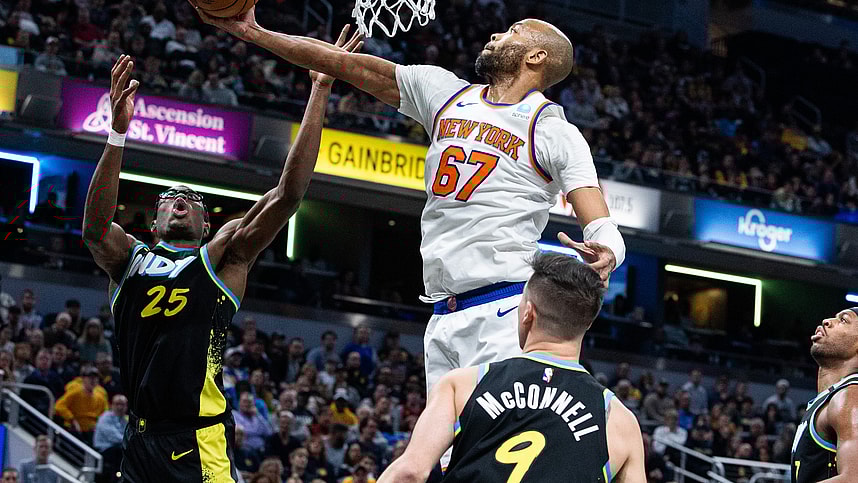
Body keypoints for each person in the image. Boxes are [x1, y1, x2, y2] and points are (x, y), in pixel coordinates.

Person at [199, 11, 626, 411]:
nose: (497, 34)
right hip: (442, 313)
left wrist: (608, 250)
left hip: (505, 307)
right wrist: (254, 33)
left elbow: (599, 218)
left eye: (513, 32)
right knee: (449, 453)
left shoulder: (553, 130)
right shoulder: (445, 92)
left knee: (495, 447)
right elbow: (341, 63)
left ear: (536, 56)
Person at [81, 31, 361, 482]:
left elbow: (288, 195)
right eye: (169, 197)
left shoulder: (223, 256)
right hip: (139, 440)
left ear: (206, 223)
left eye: (191, 198)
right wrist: (117, 134)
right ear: (153, 222)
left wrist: (320, 89)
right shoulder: (129, 259)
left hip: (198, 438)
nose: (179, 199)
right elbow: (94, 229)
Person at [378, 253, 644, 482]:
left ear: (528, 312)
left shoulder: (464, 384)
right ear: (588, 322)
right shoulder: (618, 420)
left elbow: (410, 473)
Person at [790, 308, 858, 482]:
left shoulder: (851, 395)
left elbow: (854, 478)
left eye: (843, 320)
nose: (826, 321)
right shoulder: (832, 397)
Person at [54, 366, 108, 443]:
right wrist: (72, 419)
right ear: (83, 379)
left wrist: (98, 425)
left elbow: (105, 414)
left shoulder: (101, 397)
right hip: (74, 428)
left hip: (92, 431)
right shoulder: (75, 392)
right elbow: (59, 406)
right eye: (90, 377)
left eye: (95, 378)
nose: (93, 380)